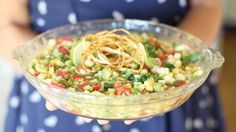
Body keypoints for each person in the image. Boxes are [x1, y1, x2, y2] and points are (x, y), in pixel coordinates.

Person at [1, 0, 225, 132]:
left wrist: (174, 58)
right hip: (53, 106)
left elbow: (207, 6)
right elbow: (7, 26)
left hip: (172, 98)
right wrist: (51, 76)